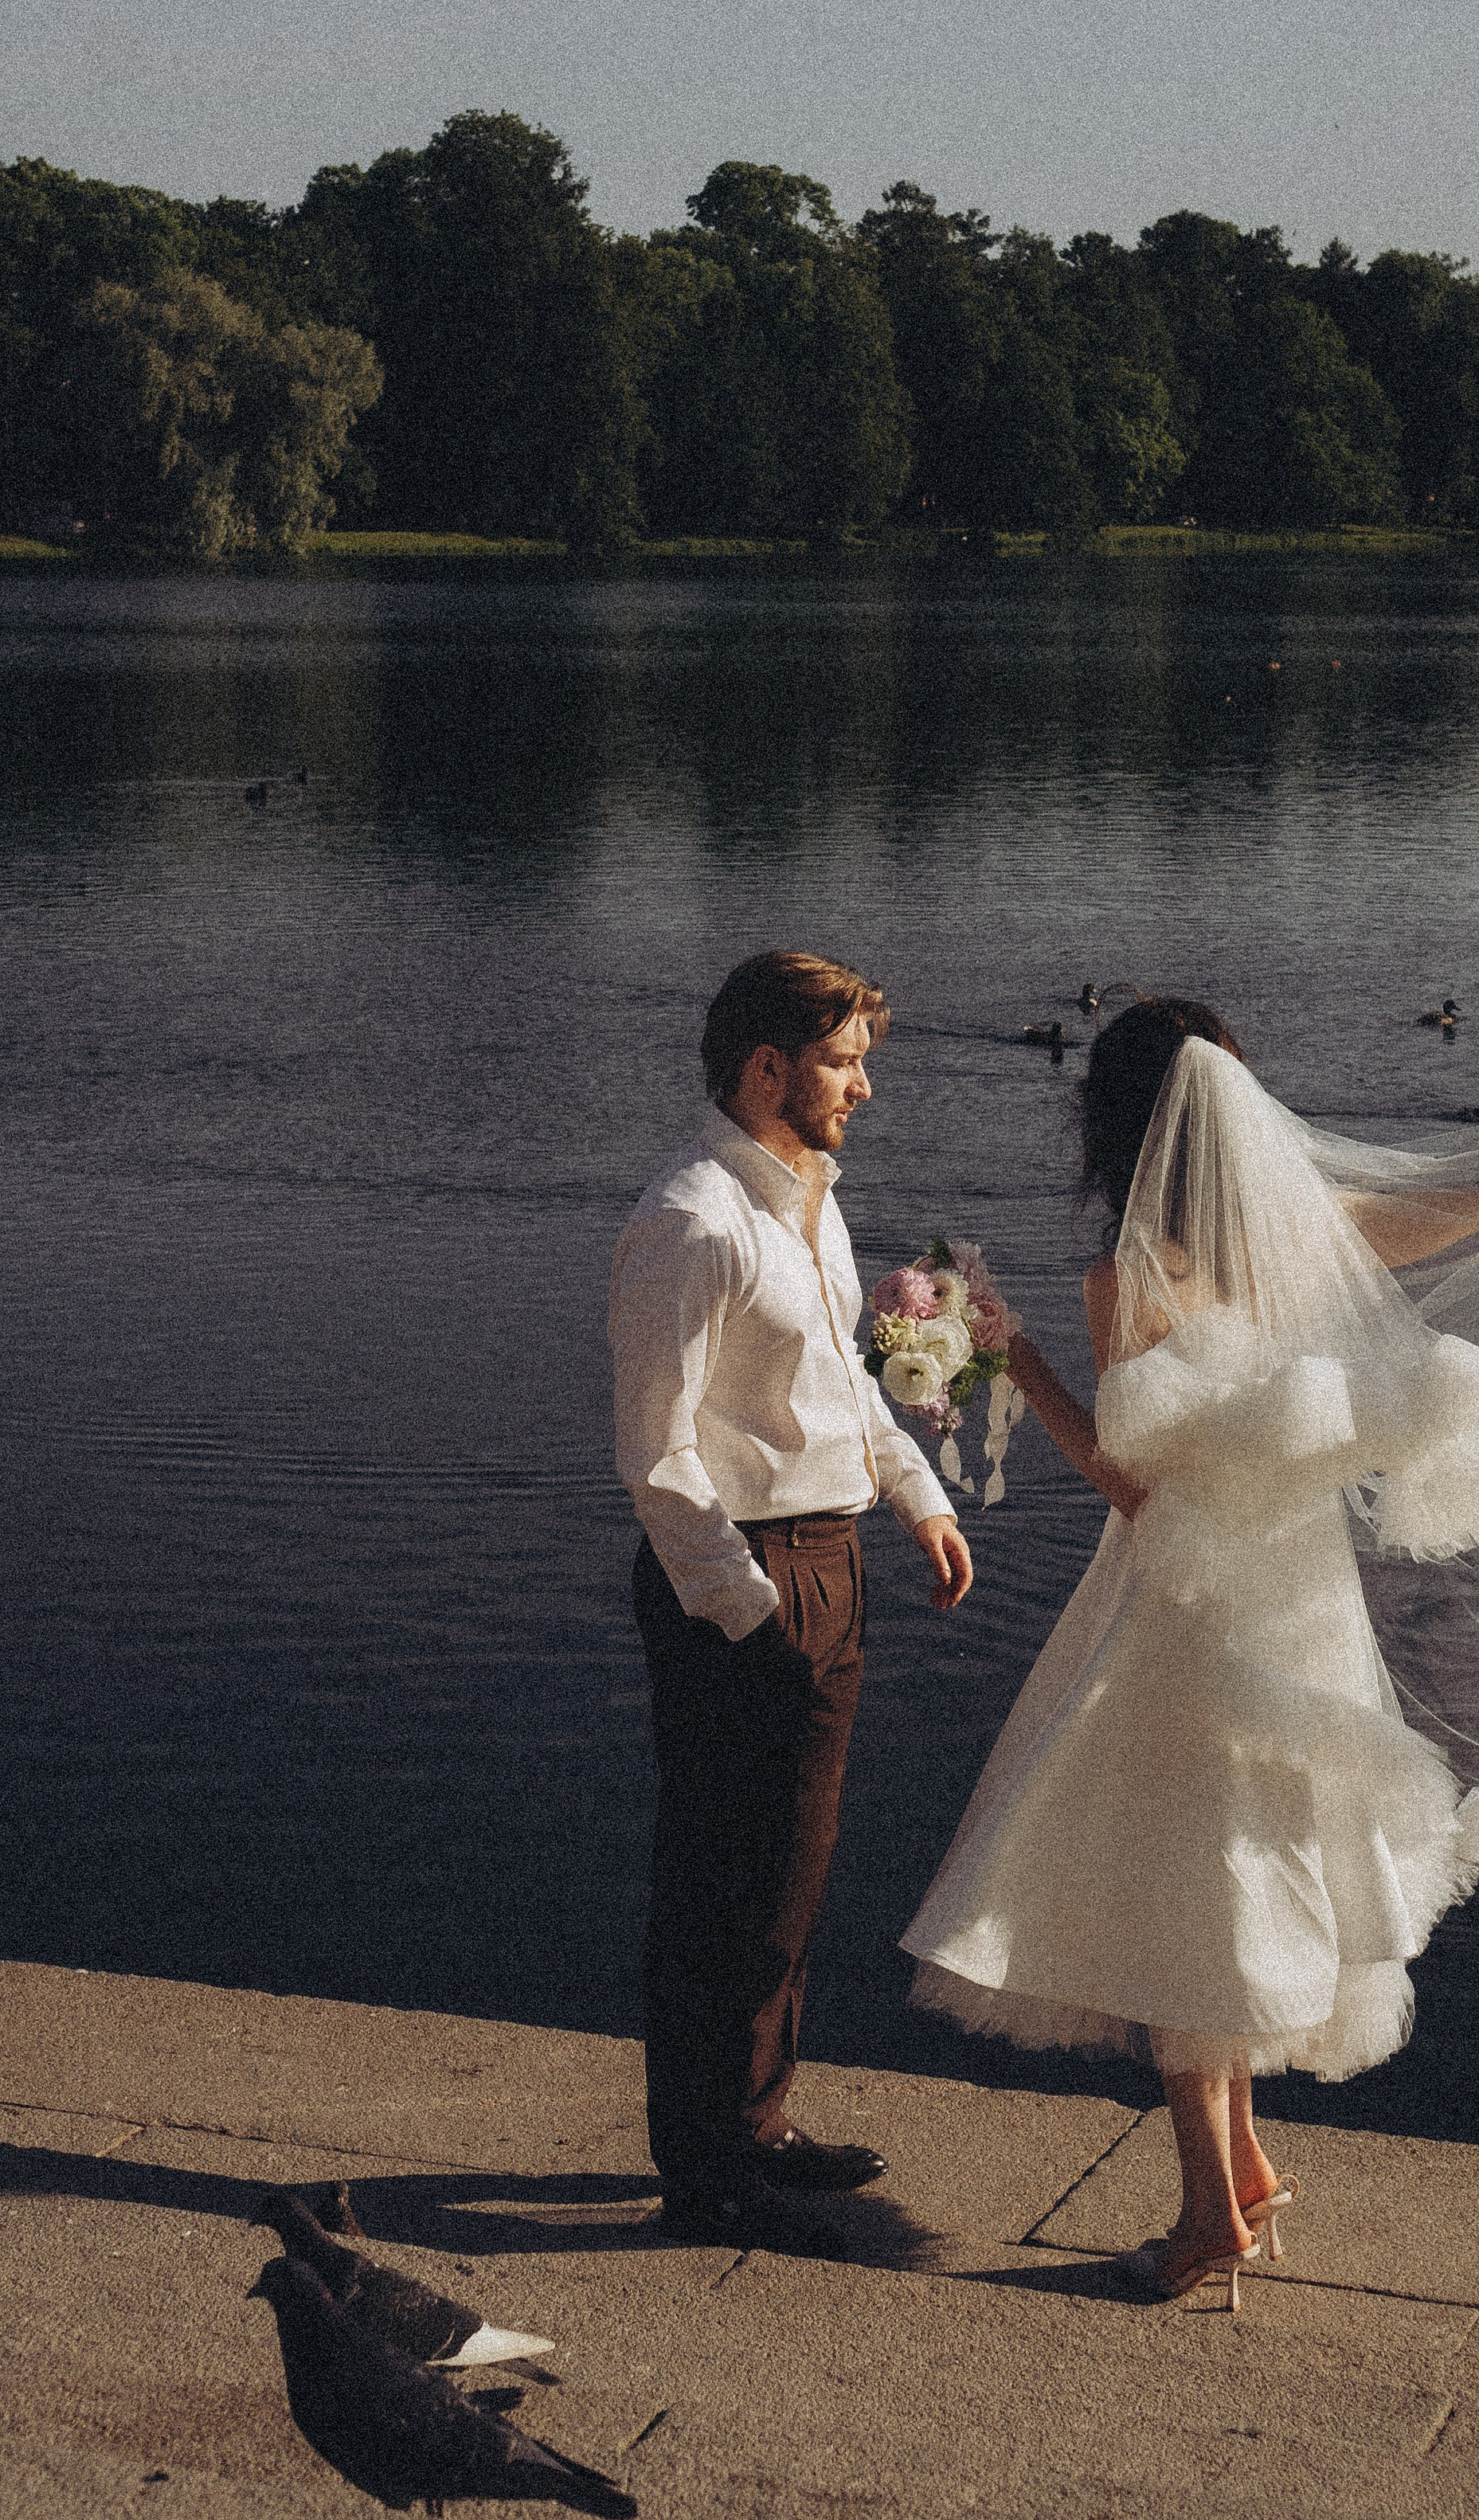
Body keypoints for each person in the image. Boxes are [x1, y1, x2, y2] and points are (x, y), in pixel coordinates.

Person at [904, 996, 1479, 2308]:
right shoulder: (1307, 1240)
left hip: (1188, 1615)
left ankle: (1201, 2222)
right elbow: (1477, 1202)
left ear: (1113, 1128)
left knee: (1184, 1893)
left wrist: (1013, 1361)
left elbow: (1136, 1491)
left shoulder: (1130, 1280)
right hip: (1304, 1604)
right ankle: (1237, 2173)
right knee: (1256, 1863)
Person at [609, 950, 1004, 2249]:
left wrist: (919, 1498)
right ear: (766, 1069)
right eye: (843, 1060)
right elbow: (657, 1458)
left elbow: (838, 1385)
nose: (865, 1087)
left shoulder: (811, 1207)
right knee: (719, 1873)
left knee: (791, 1869)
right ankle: (703, 2167)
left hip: (827, 1557)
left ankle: (757, 2121)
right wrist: (746, 1610)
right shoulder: (693, 1223)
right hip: (741, 1571)